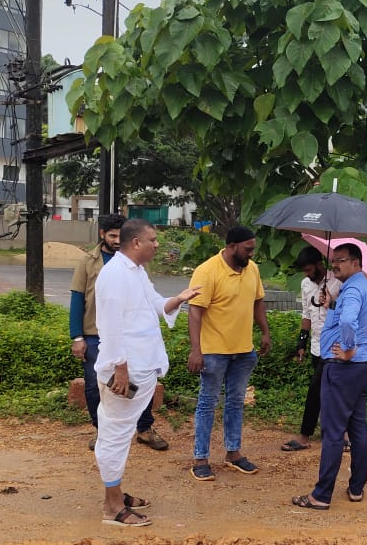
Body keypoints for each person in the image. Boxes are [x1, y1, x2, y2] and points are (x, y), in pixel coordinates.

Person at [93, 219, 200, 527]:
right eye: (152, 240)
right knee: (115, 435)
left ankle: (116, 493)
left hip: (142, 365)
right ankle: (112, 507)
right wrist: (120, 369)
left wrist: (178, 299)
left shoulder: (136, 272)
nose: (157, 244)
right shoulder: (114, 275)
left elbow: (155, 304)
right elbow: (110, 327)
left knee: (122, 433)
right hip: (126, 371)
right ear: (136, 243)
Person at [69, 213, 169, 452]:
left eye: (119, 235)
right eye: (112, 235)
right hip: (95, 333)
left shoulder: (133, 265)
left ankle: (144, 429)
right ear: (103, 234)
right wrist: (77, 336)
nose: (116, 240)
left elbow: (144, 299)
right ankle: (103, 431)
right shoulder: (89, 263)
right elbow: (77, 299)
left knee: (136, 385)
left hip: (125, 336)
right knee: (97, 385)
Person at [292, 243, 367, 510]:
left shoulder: (352, 289)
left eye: (341, 261)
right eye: (333, 262)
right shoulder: (361, 287)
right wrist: (334, 303)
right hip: (362, 367)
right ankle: (356, 488)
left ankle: (321, 495)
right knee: (357, 427)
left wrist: (349, 349)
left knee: (332, 432)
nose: (335, 266)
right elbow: (348, 313)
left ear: (356, 262)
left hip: (344, 369)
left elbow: (348, 321)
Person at [186, 226, 271, 481]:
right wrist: (196, 350)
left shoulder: (252, 269)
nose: (251, 253)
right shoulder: (207, 271)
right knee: (207, 403)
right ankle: (201, 458)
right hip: (213, 353)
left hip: (244, 351)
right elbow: (195, 311)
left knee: (235, 402)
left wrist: (265, 332)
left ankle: (233, 453)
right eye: (248, 249)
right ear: (232, 246)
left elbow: (258, 302)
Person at [282, 245, 342, 452]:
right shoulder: (305, 284)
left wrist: (331, 301)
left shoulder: (337, 282)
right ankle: (342, 435)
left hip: (334, 346)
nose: (307, 274)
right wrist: (302, 342)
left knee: (316, 390)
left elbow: (345, 314)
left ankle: (305, 436)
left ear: (319, 264)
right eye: (304, 271)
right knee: (329, 391)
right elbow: (306, 314)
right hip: (316, 346)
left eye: (309, 269)